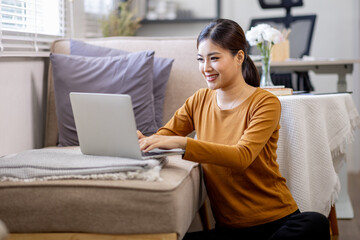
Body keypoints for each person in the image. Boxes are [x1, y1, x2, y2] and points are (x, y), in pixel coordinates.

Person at [138, 18, 330, 240]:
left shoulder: (264, 103)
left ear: (239, 57)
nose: (206, 68)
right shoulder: (199, 100)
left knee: (315, 223)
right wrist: (143, 140)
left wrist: (183, 143)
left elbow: (242, 156)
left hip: (276, 223)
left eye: (214, 58)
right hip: (230, 230)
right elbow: (165, 136)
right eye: (201, 59)